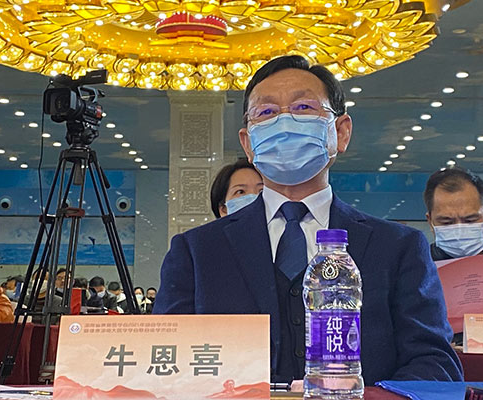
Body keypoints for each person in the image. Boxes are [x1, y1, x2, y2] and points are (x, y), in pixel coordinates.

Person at [154, 55, 463, 385]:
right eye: (266, 112)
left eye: (303, 108)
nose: (284, 123)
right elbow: (164, 362)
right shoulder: (198, 251)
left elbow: (435, 364)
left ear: (341, 132)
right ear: (248, 143)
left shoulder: (397, 247)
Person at [424, 167, 483, 262]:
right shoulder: (418, 268)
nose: (459, 232)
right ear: (430, 222)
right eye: (447, 222)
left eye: (470, 220)